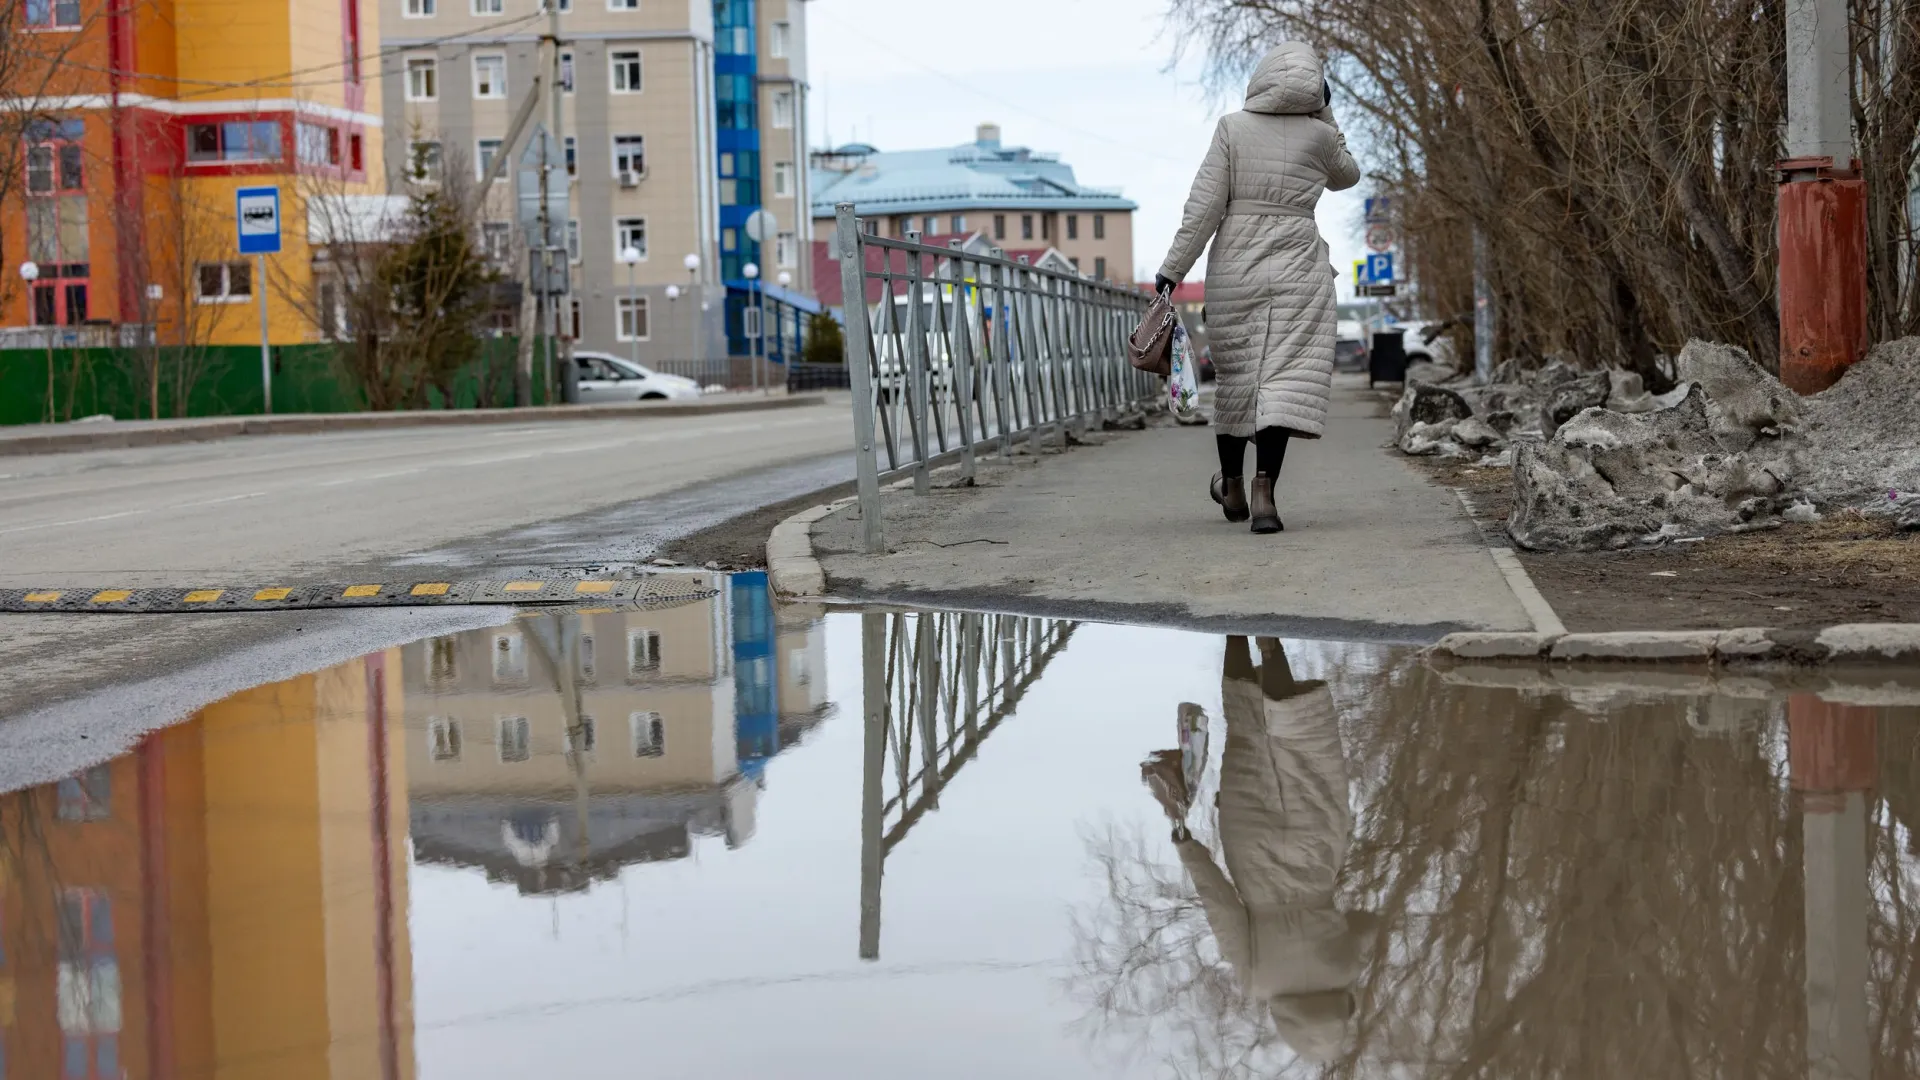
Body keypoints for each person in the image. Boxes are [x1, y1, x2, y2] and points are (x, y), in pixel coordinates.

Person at [1155, 43, 1362, 534]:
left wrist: (1172, 271)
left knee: (1238, 381)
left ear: (1262, 78)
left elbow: (1204, 207)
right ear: (1315, 85)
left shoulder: (1232, 128)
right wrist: (1326, 112)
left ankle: (1231, 485)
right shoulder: (1319, 136)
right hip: (1299, 270)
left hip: (1236, 269)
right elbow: (1348, 177)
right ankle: (1264, 494)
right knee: (1283, 384)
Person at [1142, 636, 1371, 1064]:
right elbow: (1223, 911)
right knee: (1249, 738)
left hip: (1316, 849)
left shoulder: (1347, 968)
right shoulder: (1258, 980)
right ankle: (1234, 631)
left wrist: (1350, 931)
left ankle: (1269, 642)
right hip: (1252, 846)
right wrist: (1187, 847)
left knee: (1304, 751)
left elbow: (1365, 922)